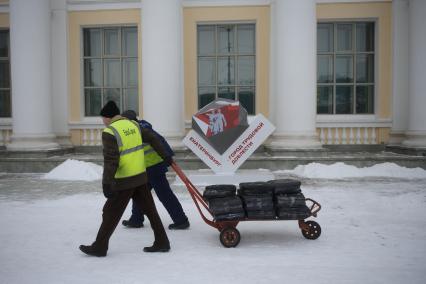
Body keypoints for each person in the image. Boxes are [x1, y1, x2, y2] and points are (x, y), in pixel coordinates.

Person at [79, 101, 172, 257]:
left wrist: (107, 183)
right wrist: (165, 155)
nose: (103, 121)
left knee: (110, 212)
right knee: (151, 211)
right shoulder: (133, 125)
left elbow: (111, 160)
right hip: (141, 177)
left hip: (125, 181)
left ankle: (99, 247)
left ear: (108, 117)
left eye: (103, 118)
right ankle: (162, 241)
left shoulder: (110, 132)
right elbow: (153, 138)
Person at [121, 110, 190, 230]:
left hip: (154, 167)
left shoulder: (139, 130)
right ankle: (136, 219)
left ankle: (181, 220)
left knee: (164, 194)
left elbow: (158, 141)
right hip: (145, 167)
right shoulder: (139, 128)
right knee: (139, 193)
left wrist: (167, 157)